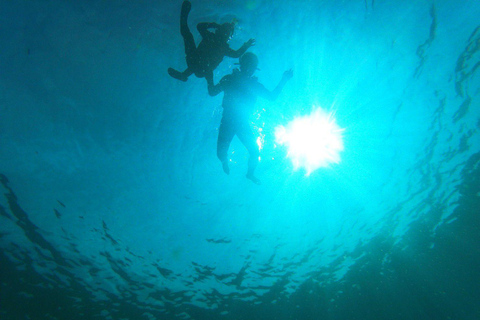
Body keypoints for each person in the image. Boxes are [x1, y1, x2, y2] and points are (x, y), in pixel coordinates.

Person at [208, 52, 293, 184]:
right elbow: (272, 97)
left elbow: (212, 91)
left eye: (251, 66)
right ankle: (229, 164)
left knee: (254, 152)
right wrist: (284, 79)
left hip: (238, 122)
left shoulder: (236, 81)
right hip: (231, 121)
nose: (249, 69)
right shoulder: (232, 80)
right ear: (243, 65)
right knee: (222, 154)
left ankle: (249, 174)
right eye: (249, 66)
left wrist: (209, 75)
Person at [168, 0, 255, 85]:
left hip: (198, 65)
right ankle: (184, 75)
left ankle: (184, 74)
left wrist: (214, 25)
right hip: (201, 68)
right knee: (188, 36)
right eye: (224, 30)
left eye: (226, 32)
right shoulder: (220, 45)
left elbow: (199, 26)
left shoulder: (211, 38)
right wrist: (246, 45)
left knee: (188, 37)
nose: (224, 32)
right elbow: (236, 54)